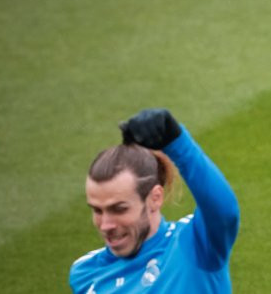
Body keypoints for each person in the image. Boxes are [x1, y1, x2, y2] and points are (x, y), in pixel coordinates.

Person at [70, 108, 239, 293]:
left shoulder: (194, 245)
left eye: (119, 209)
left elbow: (224, 212)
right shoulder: (86, 273)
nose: (105, 225)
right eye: (97, 210)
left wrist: (177, 141)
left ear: (154, 198)